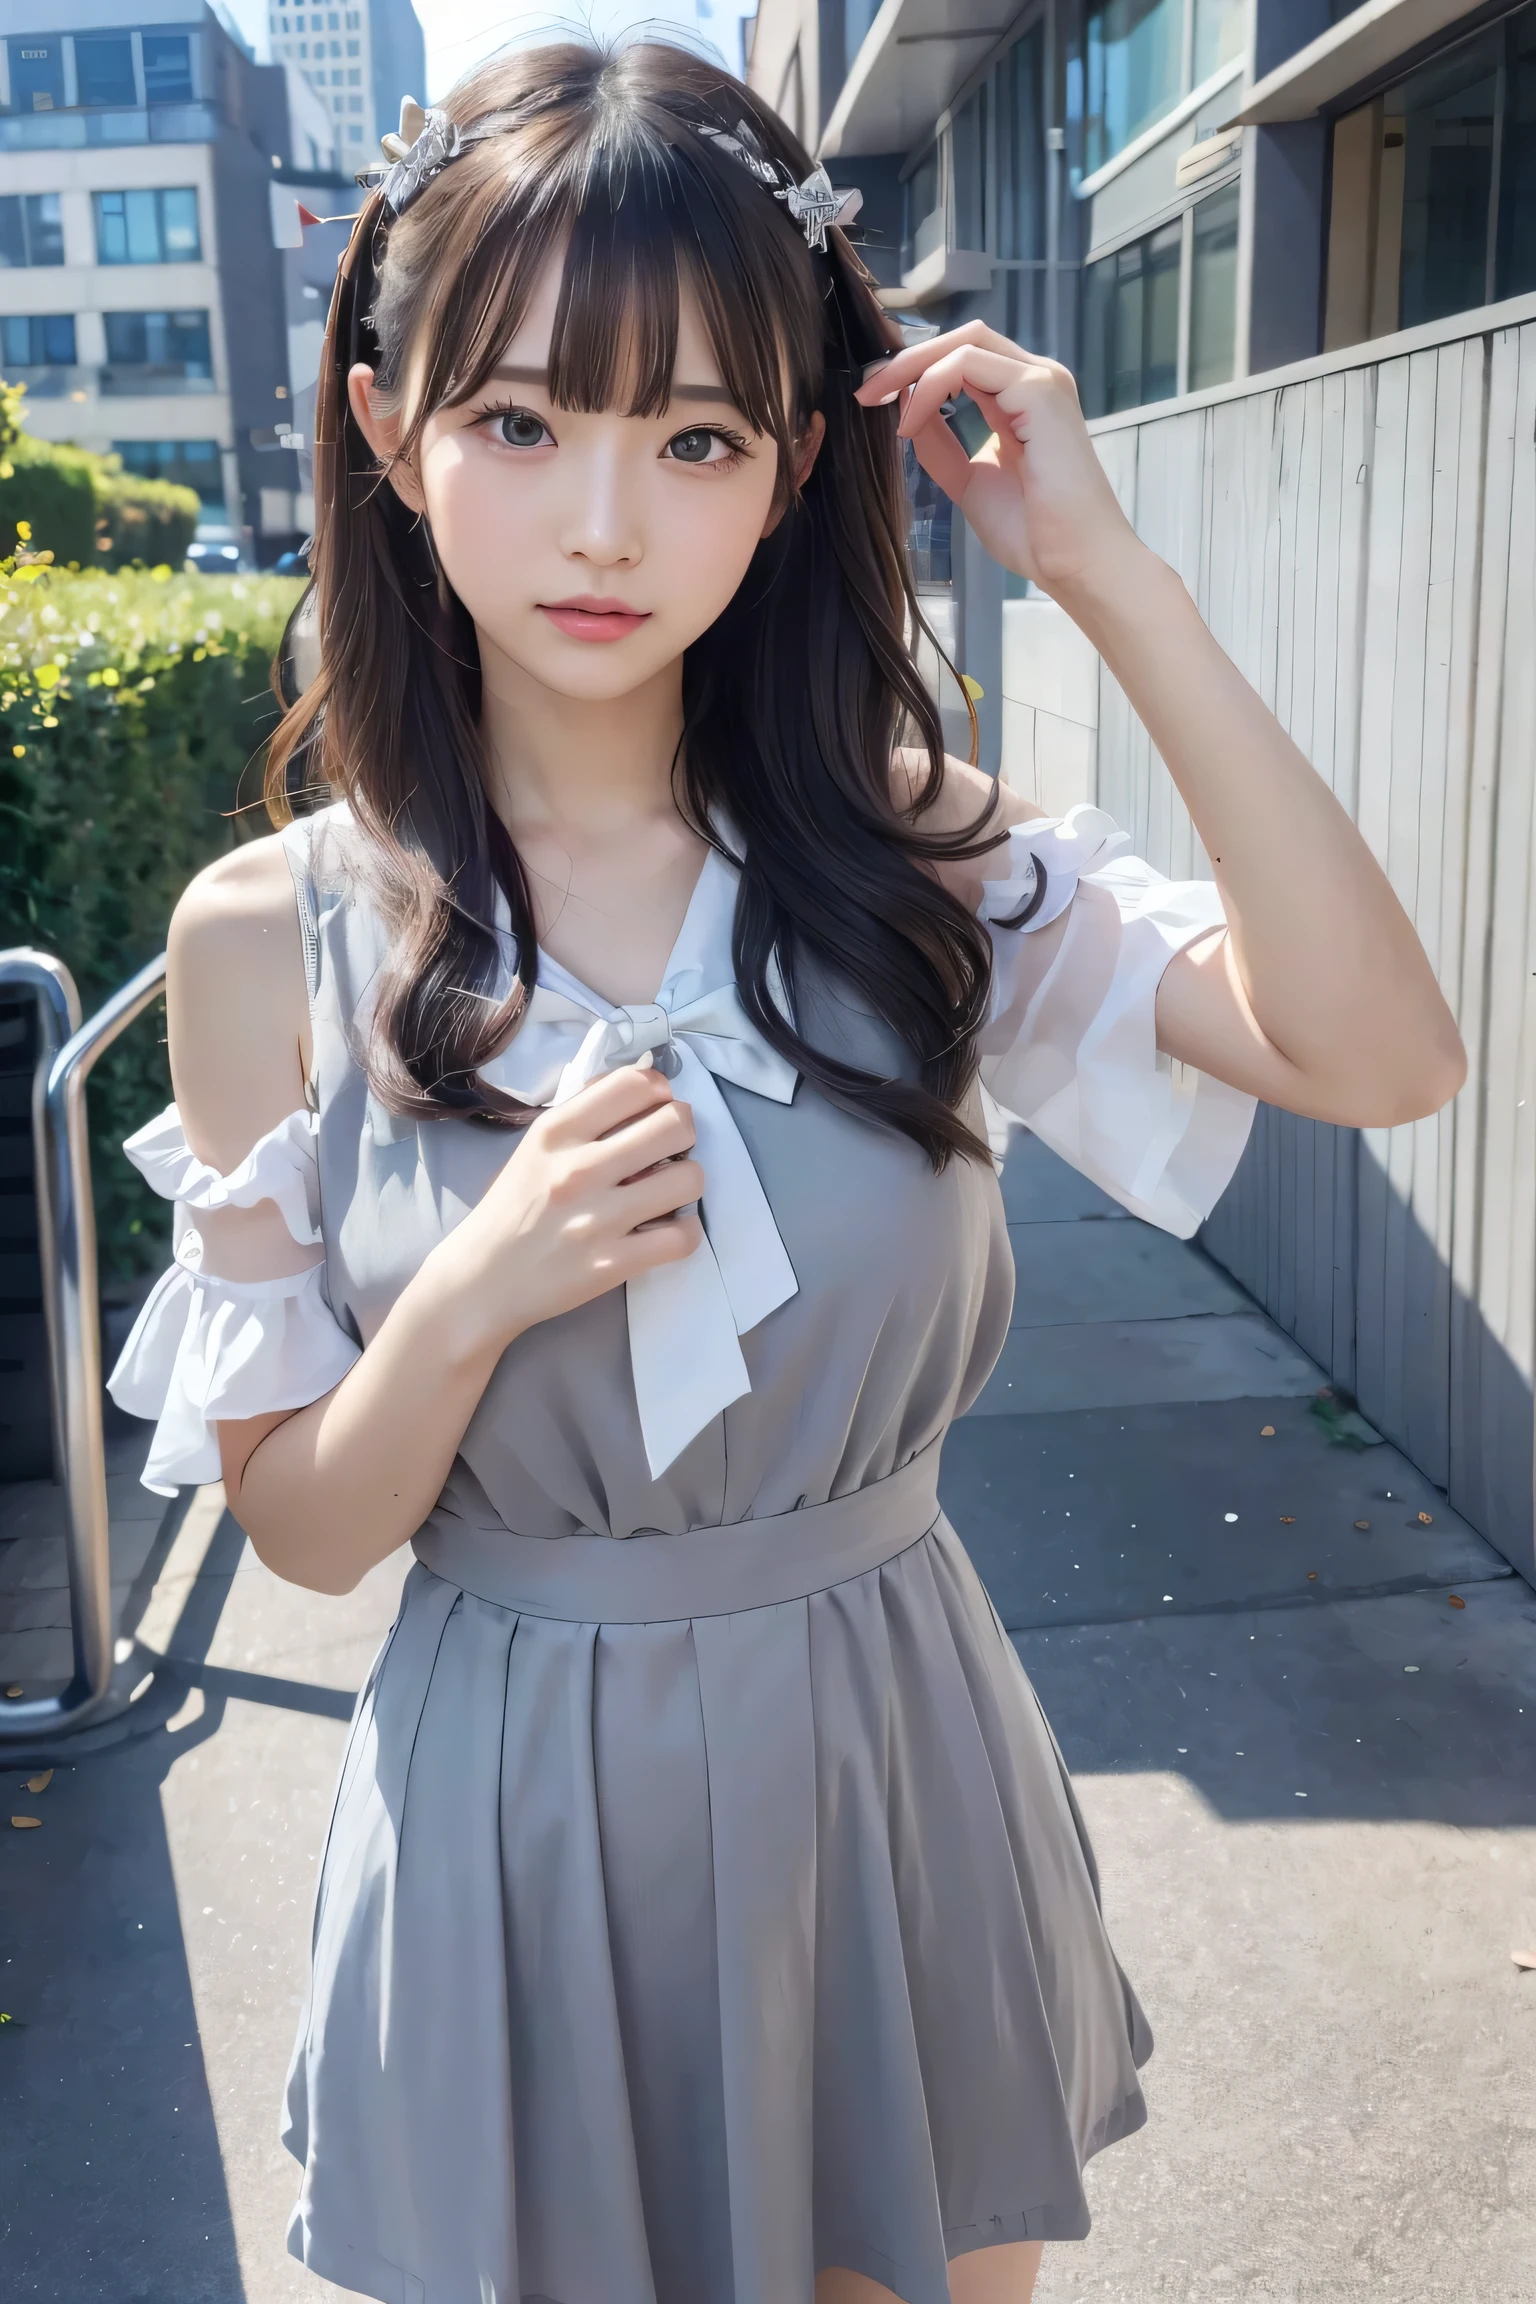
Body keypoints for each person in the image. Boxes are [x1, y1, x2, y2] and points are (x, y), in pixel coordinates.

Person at [109, 39, 1465, 2304]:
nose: (609, 523)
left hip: (885, 1779)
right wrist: (477, 1291)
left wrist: (1107, 574)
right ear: (386, 427)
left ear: (792, 465)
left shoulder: (920, 858)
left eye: (699, 436)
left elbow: (1380, 1053)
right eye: (523, 422)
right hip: (509, 1822)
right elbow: (314, 1529)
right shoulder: (278, 936)